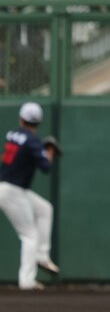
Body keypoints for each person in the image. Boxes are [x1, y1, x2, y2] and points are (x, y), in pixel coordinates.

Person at [0, 102, 59, 290]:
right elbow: (46, 167)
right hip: (12, 191)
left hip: (13, 189)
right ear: (38, 122)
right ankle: (26, 281)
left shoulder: (12, 134)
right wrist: (49, 151)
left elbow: (24, 146)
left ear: (21, 118)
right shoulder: (33, 142)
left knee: (44, 208)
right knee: (29, 235)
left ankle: (42, 256)